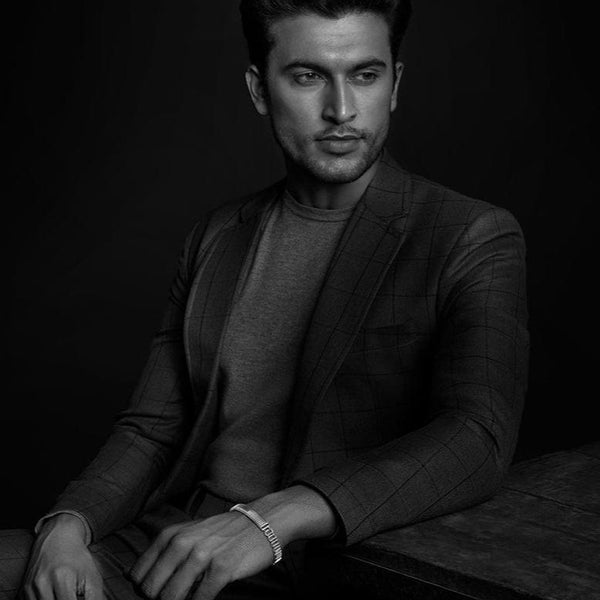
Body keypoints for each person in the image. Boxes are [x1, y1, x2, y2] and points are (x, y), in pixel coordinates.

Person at [0, 1, 529, 599]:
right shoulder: (218, 236)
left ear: (396, 84)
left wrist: (272, 519)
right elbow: (151, 430)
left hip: (318, 564)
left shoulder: (467, 234)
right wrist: (68, 526)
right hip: (165, 544)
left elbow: (477, 436)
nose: (341, 109)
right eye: (307, 76)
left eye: (365, 75)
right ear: (259, 90)